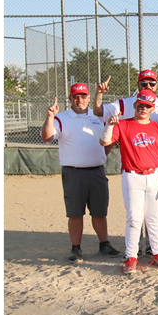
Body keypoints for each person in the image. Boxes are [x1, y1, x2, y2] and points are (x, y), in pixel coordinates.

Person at [41, 82, 119, 263]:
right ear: (70, 99)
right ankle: (76, 249)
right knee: (75, 213)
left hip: (97, 171)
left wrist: (100, 156)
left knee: (100, 211)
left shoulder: (99, 117)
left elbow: (108, 142)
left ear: (89, 98)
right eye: (75, 97)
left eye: (83, 96)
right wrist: (50, 116)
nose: (79, 100)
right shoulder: (61, 118)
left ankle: (104, 244)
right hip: (73, 173)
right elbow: (46, 137)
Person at [99, 89, 158, 274]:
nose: (143, 109)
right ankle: (131, 256)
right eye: (141, 105)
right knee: (134, 217)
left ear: (152, 108)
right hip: (132, 176)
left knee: (153, 217)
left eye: (148, 106)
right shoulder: (123, 125)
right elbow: (104, 142)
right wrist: (109, 125)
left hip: (155, 176)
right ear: (135, 105)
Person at [94, 69, 158, 124]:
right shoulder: (124, 104)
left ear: (156, 85)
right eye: (143, 84)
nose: (148, 86)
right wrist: (99, 93)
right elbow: (98, 111)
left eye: (152, 84)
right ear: (138, 85)